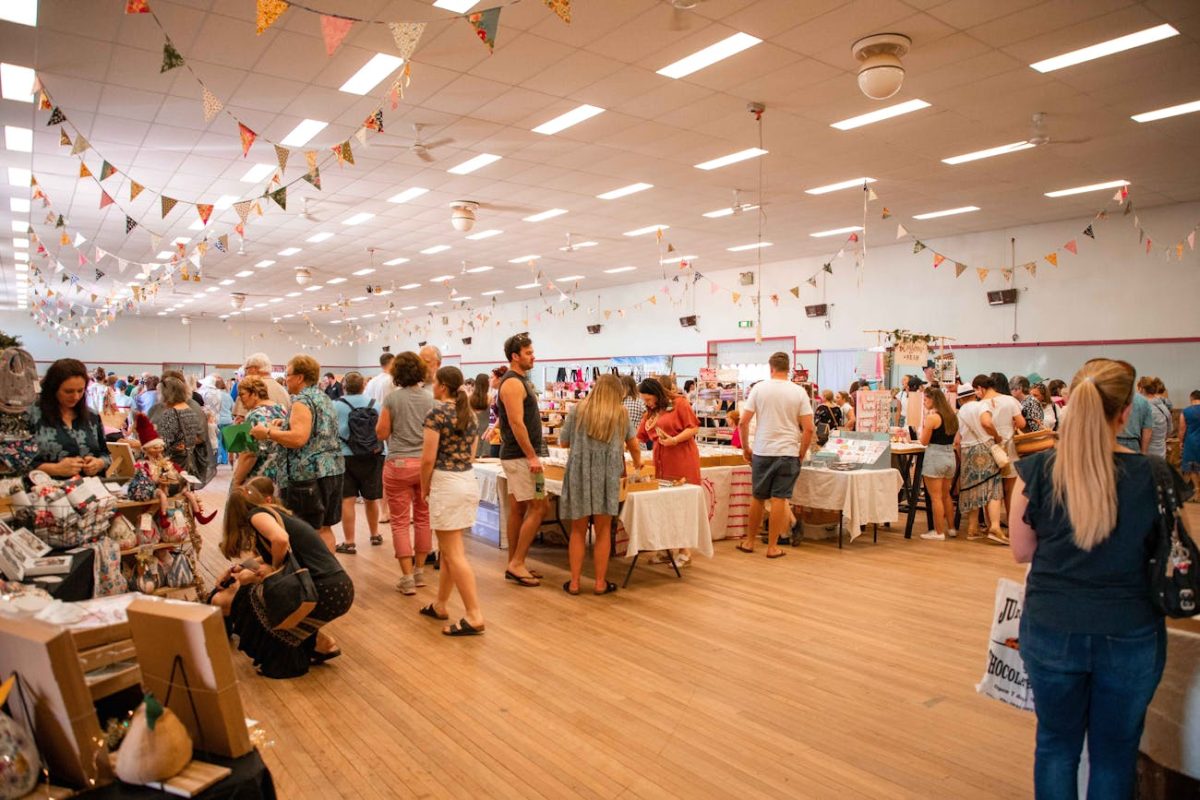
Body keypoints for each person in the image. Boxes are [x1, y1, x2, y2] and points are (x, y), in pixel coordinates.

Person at [1009, 359, 1190, 799]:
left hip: (1052, 625)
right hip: (1130, 630)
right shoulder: (1156, 476)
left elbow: (1021, 551)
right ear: (1128, 411)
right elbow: (1174, 553)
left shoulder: (1036, 471)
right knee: (1115, 752)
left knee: (1056, 745)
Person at [211, 478, 353, 679]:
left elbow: (280, 540)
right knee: (256, 595)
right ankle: (321, 645)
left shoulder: (256, 515)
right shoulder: (275, 513)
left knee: (250, 600)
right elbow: (273, 551)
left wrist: (274, 569)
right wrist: (241, 567)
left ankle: (314, 646)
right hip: (336, 587)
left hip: (323, 589)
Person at [250, 355, 345, 551]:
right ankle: (326, 574)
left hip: (307, 476)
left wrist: (267, 432)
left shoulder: (302, 401)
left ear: (300, 377)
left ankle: (309, 576)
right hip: (332, 471)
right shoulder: (323, 397)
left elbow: (299, 438)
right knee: (324, 528)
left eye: (288, 374)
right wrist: (283, 425)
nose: (286, 379)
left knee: (305, 531)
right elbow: (315, 431)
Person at [559, 375, 643, 596]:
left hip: (579, 471)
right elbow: (633, 445)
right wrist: (638, 463)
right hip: (607, 473)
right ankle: (599, 583)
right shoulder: (620, 413)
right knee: (603, 529)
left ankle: (575, 583)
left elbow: (563, 441)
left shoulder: (578, 409)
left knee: (578, 530)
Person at [419, 367, 484, 636]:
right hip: (467, 480)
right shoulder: (469, 415)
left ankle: (474, 614)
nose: (432, 387)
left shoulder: (436, 414)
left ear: (443, 386)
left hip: (446, 482)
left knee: (454, 553)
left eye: (434, 383)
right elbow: (471, 454)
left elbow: (427, 458)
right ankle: (440, 604)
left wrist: (425, 487)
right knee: (449, 549)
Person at [734, 352, 814, 559]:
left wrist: (745, 448)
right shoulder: (799, 392)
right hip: (787, 452)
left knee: (758, 497)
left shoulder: (759, 389)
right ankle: (772, 547)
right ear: (789, 369)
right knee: (780, 499)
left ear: (771, 368)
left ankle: (750, 542)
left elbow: (743, 422)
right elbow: (809, 429)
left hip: (762, 450)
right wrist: (801, 453)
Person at [377, 352, 436, 594]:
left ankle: (406, 577)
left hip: (398, 463)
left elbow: (381, 433)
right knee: (423, 518)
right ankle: (420, 571)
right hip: (425, 464)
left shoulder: (392, 399)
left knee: (400, 522)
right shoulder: (431, 399)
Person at [497, 333, 547, 586]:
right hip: (520, 456)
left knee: (518, 509)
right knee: (540, 507)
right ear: (515, 356)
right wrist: (531, 455)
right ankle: (517, 563)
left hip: (520, 456)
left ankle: (515, 562)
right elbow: (516, 423)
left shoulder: (519, 381)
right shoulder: (513, 383)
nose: (533, 356)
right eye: (528, 352)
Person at [28, 358, 111, 477]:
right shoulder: (31, 415)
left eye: (80, 390)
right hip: (45, 491)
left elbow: (106, 454)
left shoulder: (92, 416)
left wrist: (99, 463)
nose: (76, 397)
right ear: (53, 388)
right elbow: (15, 462)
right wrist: (54, 469)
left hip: (90, 490)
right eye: (68, 391)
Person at [332, 371, 384, 555]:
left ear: (344, 386)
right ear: (364, 386)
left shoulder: (335, 405)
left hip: (344, 455)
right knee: (371, 498)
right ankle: (375, 533)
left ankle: (350, 541)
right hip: (373, 454)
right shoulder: (375, 404)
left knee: (348, 500)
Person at [975, 372, 1026, 530]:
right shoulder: (1010, 400)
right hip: (1009, 447)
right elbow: (1022, 423)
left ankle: (991, 525)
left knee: (990, 489)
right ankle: (1013, 526)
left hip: (989, 447)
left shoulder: (981, 404)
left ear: (981, 388)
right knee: (1010, 491)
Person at [956, 386, 1004, 542]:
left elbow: (957, 439)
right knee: (993, 487)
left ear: (961, 398)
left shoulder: (960, 412)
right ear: (974, 395)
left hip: (967, 451)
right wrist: (997, 436)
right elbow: (987, 423)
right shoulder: (981, 405)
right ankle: (995, 526)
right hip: (984, 449)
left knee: (972, 488)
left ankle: (972, 528)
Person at [230, 376, 286, 488]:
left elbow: (249, 455)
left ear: (254, 394)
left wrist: (236, 483)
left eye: (242, 395)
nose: (240, 399)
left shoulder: (254, 415)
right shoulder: (281, 409)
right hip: (279, 477)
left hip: (257, 479)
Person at [918, 387, 958, 541]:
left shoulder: (932, 418)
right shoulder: (952, 416)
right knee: (946, 495)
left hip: (935, 457)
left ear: (932, 399)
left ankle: (939, 532)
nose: (924, 402)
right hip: (950, 456)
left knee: (935, 497)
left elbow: (924, 441)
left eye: (926, 399)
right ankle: (952, 528)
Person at [154, 377, 209, 482]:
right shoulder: (190, 411)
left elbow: (162, 444)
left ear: (166, 394)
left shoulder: (171, 414)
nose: (158, 397)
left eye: (159, 393)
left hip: (172, 468)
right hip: (188, 466)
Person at [232, 353, 290, 422]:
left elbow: (240, 420)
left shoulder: (249, 388)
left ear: (254, 369)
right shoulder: (283, 391)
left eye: (246, 369)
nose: (245, 372)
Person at [1139, 377, 1172, 459]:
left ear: (1142, 389)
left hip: (1147, 452)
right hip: (1161, 451)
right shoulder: (1164, 407)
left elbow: (1145, 431)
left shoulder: (1144, 407)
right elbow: (1169, 430)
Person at [1181, 389, 1200, 501]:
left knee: (1192, 467)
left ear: (1191, 398)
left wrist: (1181, 441)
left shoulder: (1186, 411)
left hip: (1191, 442)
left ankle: (1197, 491)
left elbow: (1182, 429)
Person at [469, 372, 491, 458]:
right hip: (487, 432)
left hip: (473, 431)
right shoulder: (490, 398)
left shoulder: (469, 398)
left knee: (474, 458)